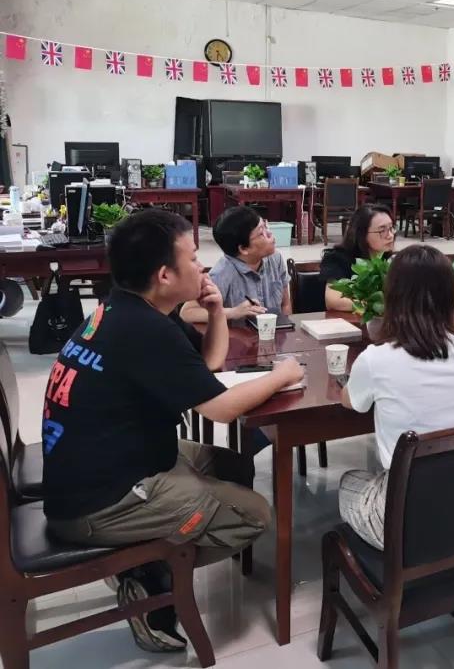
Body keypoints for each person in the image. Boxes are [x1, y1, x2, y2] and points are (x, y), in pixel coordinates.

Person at [42, 209, 300, 654]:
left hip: (107, 463)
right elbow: (220, 409)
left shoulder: (129, 308)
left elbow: (208, 364)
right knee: (255, 514)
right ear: (164, 275)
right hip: (101, 502)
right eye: (194, 258)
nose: (203, 267)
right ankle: (148, 577)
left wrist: (216, 310)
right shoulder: (144, 329)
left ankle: (150, 553)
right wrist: (283, 375)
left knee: (234, 465)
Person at [339, 245, 454, 549]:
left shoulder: (376, 359)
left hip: (405, 519)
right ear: (451, 297)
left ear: (393, 298)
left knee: (347, 481)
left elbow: (350, 402)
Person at [180, 206, 291, 324]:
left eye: (265, 226)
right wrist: (233, 312)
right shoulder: (222, 273)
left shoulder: (275, 259)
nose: (269, 233)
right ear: (243, 249)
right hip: (240, 335)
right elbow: (186, 313)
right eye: (261, 233)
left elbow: (286, 304)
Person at [321, 204, 396, 311]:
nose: (390, 235)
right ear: (362, 234)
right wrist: (377, 307)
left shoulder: (392, 261)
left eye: (391, 228)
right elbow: (333, 301)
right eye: (382, 231)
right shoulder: (337, 259)